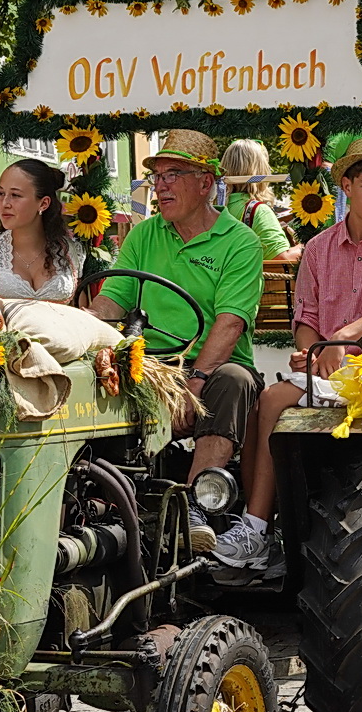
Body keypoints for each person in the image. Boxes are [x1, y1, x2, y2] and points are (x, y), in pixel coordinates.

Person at [213, 138, 362, 573]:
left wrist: (342, 341)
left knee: (273, 399)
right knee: (265, 402)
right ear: (347, 185)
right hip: (328, 365)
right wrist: (313, 353)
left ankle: (256, 525)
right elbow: (306, 316)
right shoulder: (318, 248)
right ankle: (256, 524)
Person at [87, 130, 263, 552]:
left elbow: (229, 323)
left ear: (206, 182)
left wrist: (194, 383)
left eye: (173, 174)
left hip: (213, 370)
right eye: (157, 176)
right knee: (95, 375)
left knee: (235, 379)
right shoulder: (144, 235)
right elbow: (113, 300)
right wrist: (76, 322)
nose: (160, 185)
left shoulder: (240, 242)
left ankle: (195, 507)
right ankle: (100, 501)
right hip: (150, 364)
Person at [0, 160, 86, 304]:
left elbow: (82, 316)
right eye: (1, 193)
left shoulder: (70, 251)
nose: (5, 203)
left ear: (43, 203)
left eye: (15, 195)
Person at [220, 139, 296, 262]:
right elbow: (282, 258)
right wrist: (306, 246)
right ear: (260, 170)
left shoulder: (213, 206)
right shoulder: (257, 211)